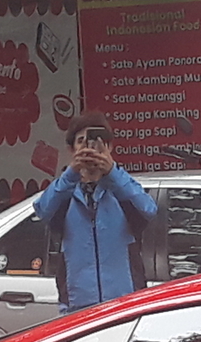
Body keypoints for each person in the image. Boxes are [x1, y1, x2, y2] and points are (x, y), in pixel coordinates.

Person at [32, 114, 161, 312]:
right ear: (71, 149)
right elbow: (43, 209)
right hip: (78, 307)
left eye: (96, 141)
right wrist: (72, 172)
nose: (89, 148)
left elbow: (148, 209)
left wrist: (111, 172)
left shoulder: (122, 188)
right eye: (81, 142)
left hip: (124, 305)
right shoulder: (64, 192)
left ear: (108, 148)